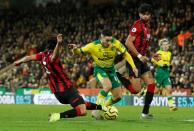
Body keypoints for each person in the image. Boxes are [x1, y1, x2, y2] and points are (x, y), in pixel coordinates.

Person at [14, 34, 108, 122]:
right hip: (66, 89)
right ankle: (58, 116)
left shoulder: (42, 55)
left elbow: (28, 57)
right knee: (82, 110)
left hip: (57, 93)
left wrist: (19, 61)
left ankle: (102, 108)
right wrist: (59, 44)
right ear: (55, 46)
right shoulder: (52, 56)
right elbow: (54, 57)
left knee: (81, 102)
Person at [69, 28, 138, 115]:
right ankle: (95, 111)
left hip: (111, 70)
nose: (109, 42)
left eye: (111, 40)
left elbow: (126, 54)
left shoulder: (115, 43)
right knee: (108, 86)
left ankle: (104, 107)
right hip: (100, 69)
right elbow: (78, 52)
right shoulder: (93, 46)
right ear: (102, 37)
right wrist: (75, 49)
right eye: (107, 40)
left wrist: (134, 67)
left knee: (118, 97)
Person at [116, 3, 160, 119]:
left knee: (151, 84)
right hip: (133, 60)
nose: (145, 16)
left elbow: (144, 46)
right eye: (143, 14)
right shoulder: (138, 25)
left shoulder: (147, 27)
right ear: (139, 14)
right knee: (136, 90)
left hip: (141, 60)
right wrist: (140, 56)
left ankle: (145, 113)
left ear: (150, 15)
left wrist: (151, 56)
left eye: (147, 14)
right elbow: (128, 42)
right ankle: (118, 75)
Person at [152, 38, 177, 111]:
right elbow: (153, 59)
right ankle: (144, 91)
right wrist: (161, 64)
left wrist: (168, 65)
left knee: (169, 89)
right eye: (164, 45)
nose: (166, 46)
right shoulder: (159, 52)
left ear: (168, 45)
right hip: (160, 72)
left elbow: (168, 62)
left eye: (167, 44)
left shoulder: (169, 53)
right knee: (155, 91)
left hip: (166, 73)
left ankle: (171, 106)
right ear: (161, 46)